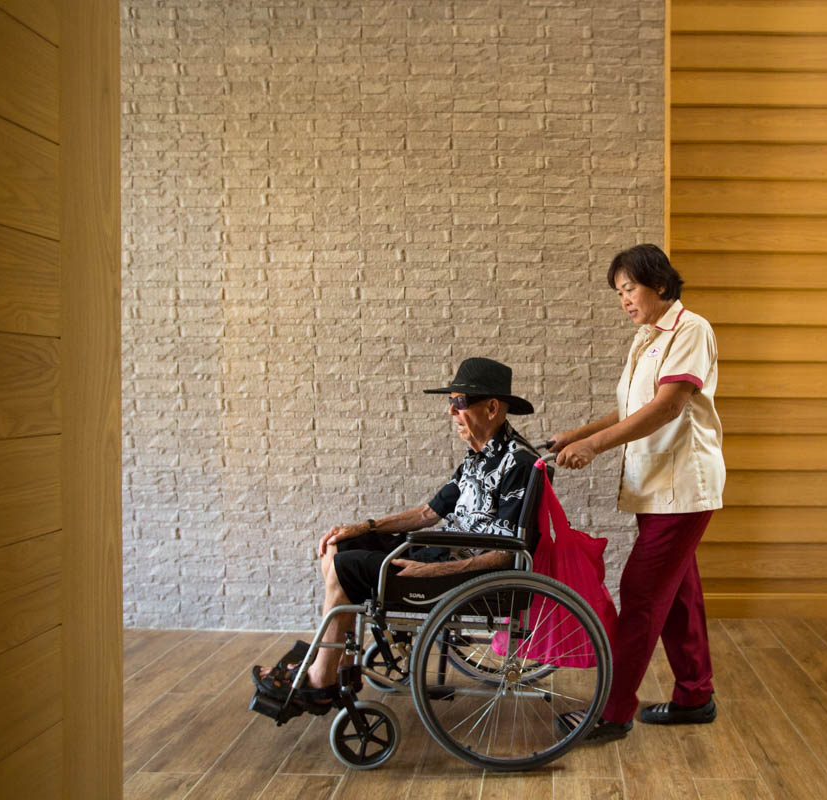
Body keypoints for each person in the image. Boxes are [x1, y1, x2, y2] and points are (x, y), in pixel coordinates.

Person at [253, 357, 540, 712]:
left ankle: (320, 679)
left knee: (348, 567)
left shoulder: (520, 463)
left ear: (493, 408)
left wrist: (431, 571)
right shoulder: (477, 458)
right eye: (450, 402)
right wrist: (363, 527)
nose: (451, 412)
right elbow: (428, 513)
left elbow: (508, 552)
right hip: (441, 551)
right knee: (342, 545)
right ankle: (340, 664)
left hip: (464, 572)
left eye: (459, 403)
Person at [550, 244, 726, 742]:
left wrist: (595, 448)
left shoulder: (691, 328)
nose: (624, 299)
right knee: (679, 594)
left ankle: (612, 712)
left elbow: (668, 407)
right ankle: (695, 696)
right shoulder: (647, 337)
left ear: (661, 285)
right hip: (655, 488)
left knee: (643, 595)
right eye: (619, 292)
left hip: (682, 487)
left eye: (630, 288)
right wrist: (577, 434)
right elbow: (633, 408)